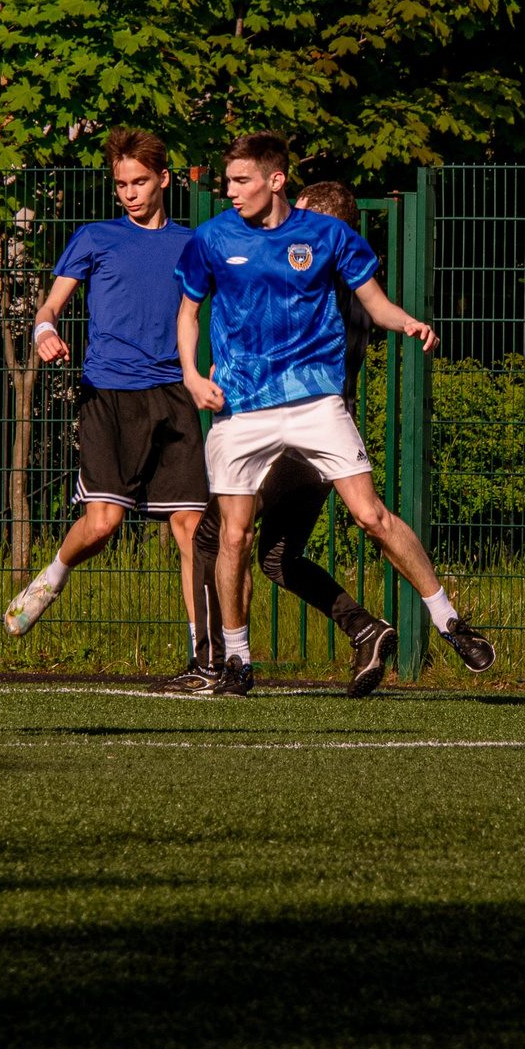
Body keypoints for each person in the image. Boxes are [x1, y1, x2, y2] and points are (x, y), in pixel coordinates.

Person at [173, 134, 494, 696]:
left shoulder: (327, 235)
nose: (230, 191)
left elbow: (374, 302)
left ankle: (448, 620)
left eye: (240, 180)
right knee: (233, 538)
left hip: (317, 401)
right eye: (227, 181)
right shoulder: (211, 238)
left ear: (276, 180)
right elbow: (188, 314)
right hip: (242, 408)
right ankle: (237, 661)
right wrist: (193, 376)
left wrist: (408, 322)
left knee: (372, 516)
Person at [182, 180, 399, 698]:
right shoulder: (346, 287)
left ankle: (214, 666)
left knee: (215, 536)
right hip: (322, 441)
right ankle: (364, 628)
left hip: (293, 434)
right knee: (278, 558)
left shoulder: (320, 286)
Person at [1, 129, 208, 649]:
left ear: (163, 179)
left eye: (139, 182)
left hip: (173, 395)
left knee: (191, 528)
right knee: (102, 524)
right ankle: (54, 574)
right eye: (121, 185)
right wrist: (45, 331)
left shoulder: (192, 244)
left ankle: (204, 653)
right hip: (107, 396)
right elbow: (48, 308)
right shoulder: (96, 236)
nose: (130, 193)